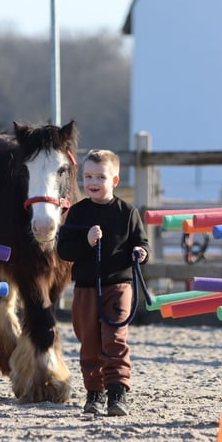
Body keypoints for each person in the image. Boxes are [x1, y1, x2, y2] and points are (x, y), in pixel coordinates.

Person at [57, 149, 150, 417]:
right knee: (88, 341)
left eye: (100, 176)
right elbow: (64, 250)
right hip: (85, 288)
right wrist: (86, 241)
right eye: (88, 176)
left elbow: (142, 243)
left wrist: (141, 254)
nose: (93, 182)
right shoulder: (77, 213)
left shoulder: (127, 212)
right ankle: (94, 392)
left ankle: (117, 392)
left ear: (115, 180)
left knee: (115, 338)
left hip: (118, 286)